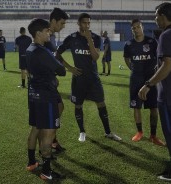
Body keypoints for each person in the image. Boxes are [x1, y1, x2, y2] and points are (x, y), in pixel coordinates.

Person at [138, 2, 171, 182]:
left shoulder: (167, 35)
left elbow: (168, 66)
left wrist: (148, 84)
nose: (155, 19)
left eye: (155, 16)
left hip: (169, 94)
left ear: (162, 15)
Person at [56, 13, 121, 142]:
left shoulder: (96, 38)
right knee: (78, 105)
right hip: (79, 78)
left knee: (101, 103)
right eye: (84, 23)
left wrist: (89, 39)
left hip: (93, 78)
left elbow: (95, 57)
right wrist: (70, 68)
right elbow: (57, 53)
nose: (87, 25)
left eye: (89, 23)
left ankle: (108, 132)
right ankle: (82, 131)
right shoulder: (72, 38)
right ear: (79, 23)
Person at [26, 18, 66, 180]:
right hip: (46, 96)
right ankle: (46, 172)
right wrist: (55, 67)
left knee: (36, 128)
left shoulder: (30, 48)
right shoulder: (42, 51)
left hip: (34, 95)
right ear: (38, 33)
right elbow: (61, 70)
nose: (49, 32)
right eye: (46, 30)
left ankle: (32, 162)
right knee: (47, 135)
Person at [123, 19, 165, 146]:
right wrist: (133, 69)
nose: (136, 29)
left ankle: (153, 135)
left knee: (153, 107)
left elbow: (160, 58)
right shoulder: (129, 44)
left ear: (142, 27)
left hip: (150, 79)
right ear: (132, 30)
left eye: (138, 27)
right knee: (136, 106)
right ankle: (139, 132)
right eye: (134, 28)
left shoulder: (152, 42)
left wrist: (156, 72)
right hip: (136, 79)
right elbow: (126, 59)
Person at [45, 7, 75, 154]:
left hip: (50, 80)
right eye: (62, 23)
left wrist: (69, 68)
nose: (63, 26)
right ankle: (46, 147)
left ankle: (52, 141)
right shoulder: (44, 35)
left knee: (59, 107)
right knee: (48, 116)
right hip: (44, 83)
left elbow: (55, 56)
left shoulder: (51, 36)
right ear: (53, 21)